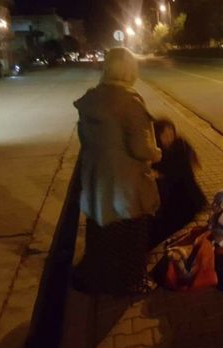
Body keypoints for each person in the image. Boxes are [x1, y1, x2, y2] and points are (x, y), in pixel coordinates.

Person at [72, 47, 161, 294]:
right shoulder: (130, 102)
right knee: (131, 237)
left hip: (97, 182)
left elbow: (85, 140)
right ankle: (131, 282)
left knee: (103, 236)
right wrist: (157, 154)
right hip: (126, 184)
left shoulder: (91, 100)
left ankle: (100, 279)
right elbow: (142, 149)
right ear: (129, 69)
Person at [150, 118, 206, 248]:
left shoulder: (180, 147)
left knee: (163, 229)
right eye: (165, 134)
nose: (169, 137)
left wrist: (159, 174)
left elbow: (176, 170)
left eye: (171, 133)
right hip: (171, 203)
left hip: (185, 201)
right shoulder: (157, 151)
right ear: (157, 135)